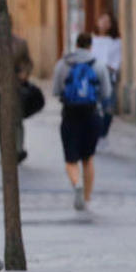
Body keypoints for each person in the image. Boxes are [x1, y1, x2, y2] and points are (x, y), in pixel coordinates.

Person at [51, 33, 113, 212]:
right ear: (90, 46)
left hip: (69, 115)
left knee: (71, 160)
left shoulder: (63, 64)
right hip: (91, 115)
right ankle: (86, 197)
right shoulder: (98, 65)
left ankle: (76, 183)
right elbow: (106, 93)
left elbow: (56, 91)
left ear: (76, 45)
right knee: (88, 158)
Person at [0, 35, 34, 163]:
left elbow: (28, 62)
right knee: (2, 121)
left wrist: (25, 73)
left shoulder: (20, 43)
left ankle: (18, 150)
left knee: (17, 118)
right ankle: (5, 153)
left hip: (16, 87)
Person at [90, 11, 122, 140]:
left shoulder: (116, 41)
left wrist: (109, 68)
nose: (103, 24)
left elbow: (117, 61)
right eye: (101, 20)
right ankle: (95, 134)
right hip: (92, 76)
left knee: (108, 108)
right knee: (93, 107)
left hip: (108, 77)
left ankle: (103, 133)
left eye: (107, 22)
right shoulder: (92, 39)